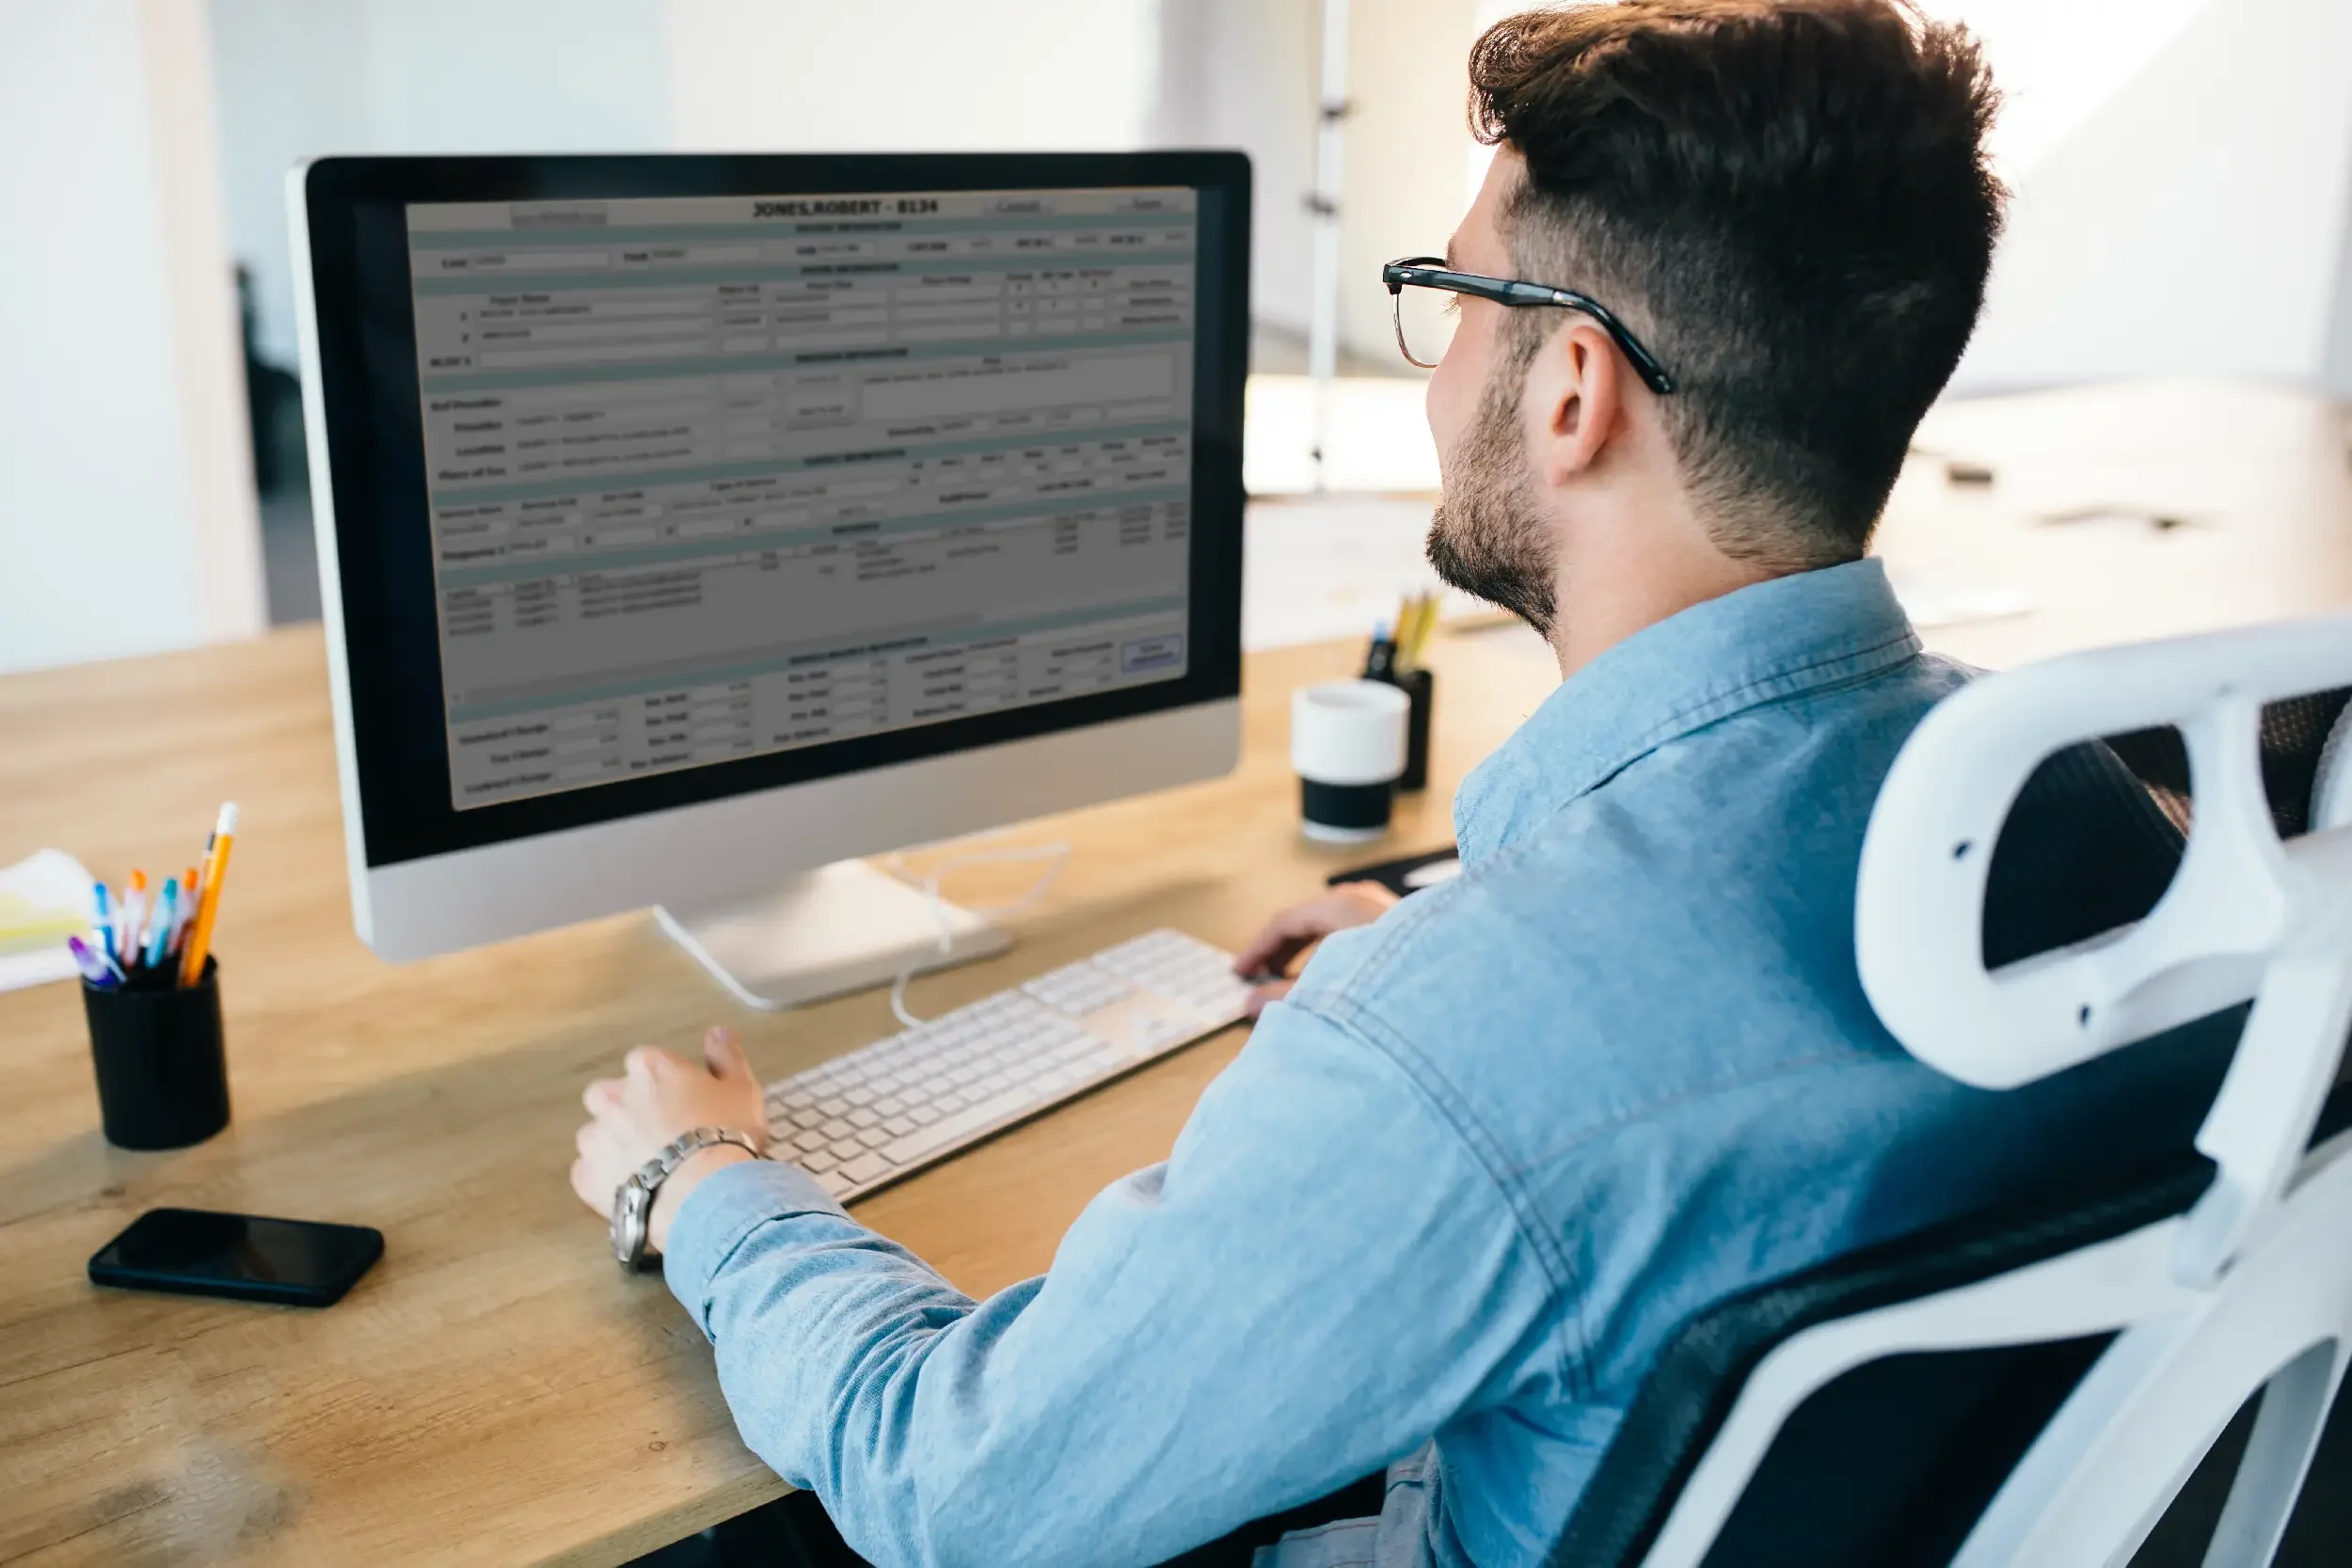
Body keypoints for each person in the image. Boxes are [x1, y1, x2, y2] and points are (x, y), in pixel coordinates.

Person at [568, 5, 2219, 1563]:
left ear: (1572, 390)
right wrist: (1439, 937)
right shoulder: (2088, 805)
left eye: (1455, 297)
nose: (1434, 375)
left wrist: (705, 1180)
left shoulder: (1465, 1041)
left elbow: (957, 1486)